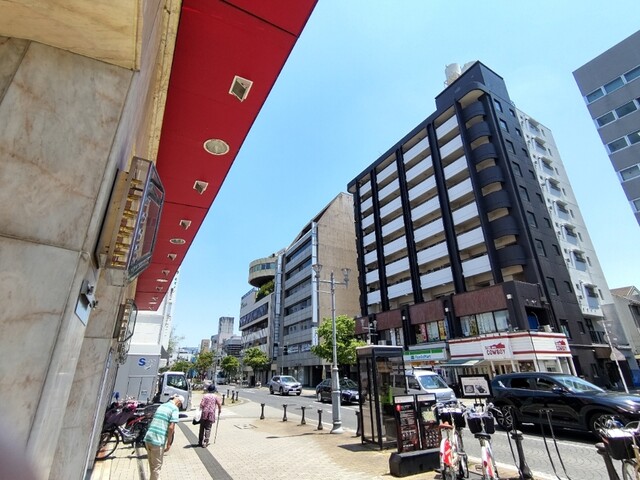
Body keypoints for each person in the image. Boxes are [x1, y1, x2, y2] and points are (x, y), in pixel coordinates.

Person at [143, 394, 183, 480]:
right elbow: (171, 428)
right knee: (156, 468)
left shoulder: (162, 405)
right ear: (179, 403)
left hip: (148, 437)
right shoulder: (174, 409)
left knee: (152, 466)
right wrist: (169, 443)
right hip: (158, 440)